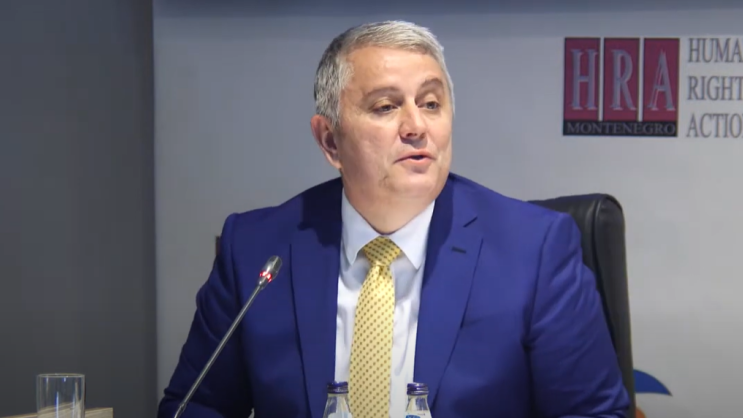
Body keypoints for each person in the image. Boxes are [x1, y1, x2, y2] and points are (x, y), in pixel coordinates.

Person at [157, 20, 630, 418]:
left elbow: (592, 414)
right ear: (330, 141)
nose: (416, 126)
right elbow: (197, 407)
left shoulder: (534, 251)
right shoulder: (257, 252)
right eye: (386, 107)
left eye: (431, 103)